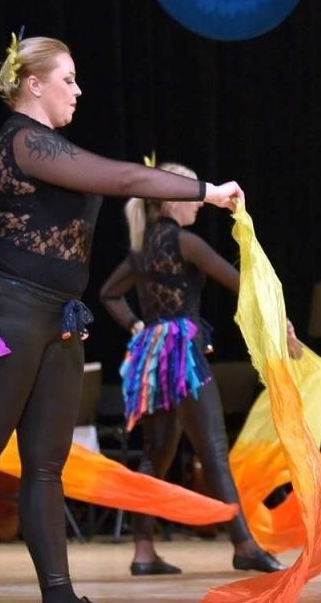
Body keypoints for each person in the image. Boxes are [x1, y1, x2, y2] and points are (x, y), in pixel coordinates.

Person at [0, 34, 245, 603]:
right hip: (10, 310)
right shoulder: (22, 139)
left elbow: (110, 179)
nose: (78, 89)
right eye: (67, 79)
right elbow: (122, 179)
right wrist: (205, 190)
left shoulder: (53, 144)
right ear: (34, 84)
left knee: (47, 466)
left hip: (59, 317)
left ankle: (60, 599)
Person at [98, 159, 297, 577]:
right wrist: (281, 320)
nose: (198, 205)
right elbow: (241, 284)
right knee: (214, 451)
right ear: (172, 201)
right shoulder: (184, 243)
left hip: (153, 360)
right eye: (192, 196)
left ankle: (143, 550)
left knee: (156, 454)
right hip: (184, 357)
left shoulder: (142, 246)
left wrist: (138, 327)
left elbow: (108, 294)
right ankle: (244, 544)